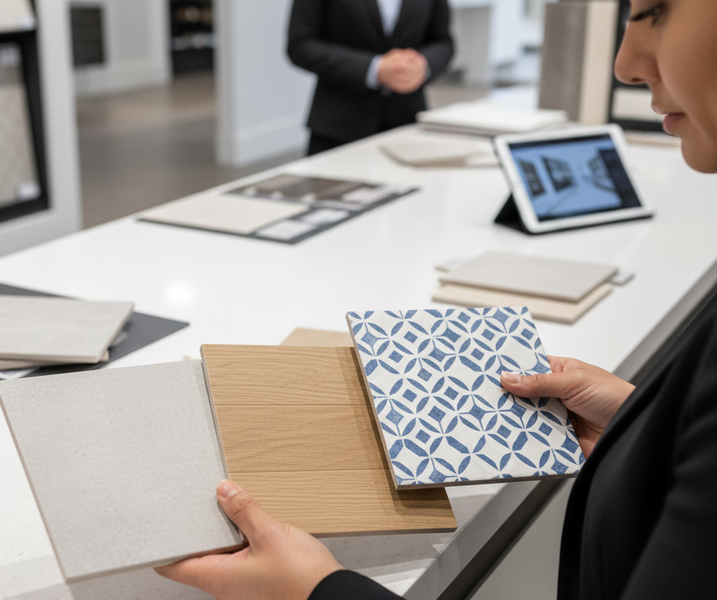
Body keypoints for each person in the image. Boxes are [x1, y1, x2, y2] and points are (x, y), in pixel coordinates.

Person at [156, 1, 717, 597]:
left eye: (652, 12)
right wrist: (643, 422)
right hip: (341, 118)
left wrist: (315, 591)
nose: (626, 63)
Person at [287, 0, 454, 155]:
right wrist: (374, 69)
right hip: (338, 128)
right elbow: (301, 44)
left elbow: (443, 41)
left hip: (408, 125)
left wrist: (422, 65)